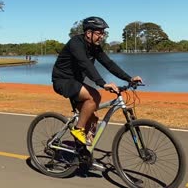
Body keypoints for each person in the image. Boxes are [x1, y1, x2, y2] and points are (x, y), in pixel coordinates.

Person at [52, 16, 142, 145]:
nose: (102, 36)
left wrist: (129, 78)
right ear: (89, 33)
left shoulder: (95, 47)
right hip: (63, 80)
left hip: (76, 82)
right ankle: (78, 129)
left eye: (103, 33)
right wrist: (102, 83)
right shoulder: (75, 43)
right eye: (100, 33)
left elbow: (109, 64)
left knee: (93, 119)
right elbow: (85, 64)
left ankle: (83, 151)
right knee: (94, 96)